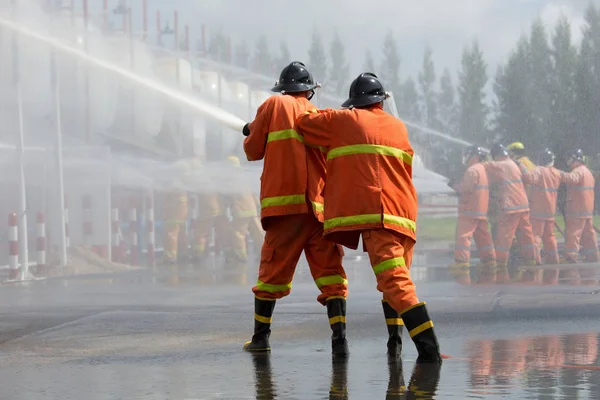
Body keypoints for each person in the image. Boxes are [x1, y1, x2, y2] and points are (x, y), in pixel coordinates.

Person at [296, 72, 442, 363]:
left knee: (394, 281)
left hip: (379, 215)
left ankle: (429, 350)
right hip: (404, 216)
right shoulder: (398, 127)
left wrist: (325, 108)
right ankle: (394, 345)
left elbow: (304, 124)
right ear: (381, 101)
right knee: (395, 283)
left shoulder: (345, 121)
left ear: (354, 103)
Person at [241, 62, 349, 355]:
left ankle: (261, 339)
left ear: (282, 87)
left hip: (284, 209)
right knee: (331, 275)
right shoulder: (320, 115)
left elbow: (252, 151)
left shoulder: (273, 104)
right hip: (318, 209)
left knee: (271, 274)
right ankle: (340, 340)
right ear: (310, 91)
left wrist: (250, 130)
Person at [484, 144, 537, 267]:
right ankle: (530, 259)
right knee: (526, 234)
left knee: (504, 236)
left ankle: (500, 262)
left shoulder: (499, 165)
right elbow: (529, 178)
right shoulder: (516, 164)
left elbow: (482, 167)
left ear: (496, 156)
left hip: (511, 207)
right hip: (523, 205)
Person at [449, 145, 496, 269]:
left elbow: (465, 189)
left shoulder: (472, 170)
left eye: (468, 155)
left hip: (469, 210)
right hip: (481, 210)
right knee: (484, 238)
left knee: (463, 237)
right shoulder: (483, 169)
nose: (466, 157)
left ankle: (461, 262)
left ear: (474, 156)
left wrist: (454, 185)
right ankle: (490, 260)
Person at [519, 149, 562, 265]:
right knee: (550, 237)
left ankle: (535, 260)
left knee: (535, 237)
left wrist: (521, 165)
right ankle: (553, 260)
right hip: (550, 211)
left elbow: (528, 178)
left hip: (538, 211)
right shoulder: (556, 172)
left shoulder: (538, 170)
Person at [560, 149, 599, 263]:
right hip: (586, 209)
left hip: (577, 209)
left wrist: (558, 174)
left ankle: (570, 257)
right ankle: (593, 256)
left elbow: (571, 179)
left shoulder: (578, 171)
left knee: (573, 233)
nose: (568, 160)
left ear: (576, 158)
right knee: (589, 235)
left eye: (570, 158)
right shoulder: (587, 172)